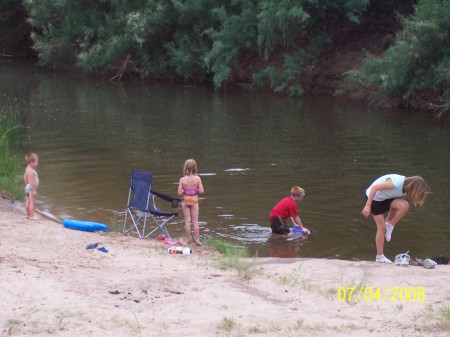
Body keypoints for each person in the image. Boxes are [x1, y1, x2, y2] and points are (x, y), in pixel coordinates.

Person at [361, 174, 428, 264]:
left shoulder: (404, 191)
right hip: (374, 199)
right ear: (412, 188)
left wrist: (388, 221)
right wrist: (368, 206)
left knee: (404, 205)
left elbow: (394, 208)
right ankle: (379, 257)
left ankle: (390, 225)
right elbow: (374, 187)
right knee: (381, 228)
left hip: (386, 198)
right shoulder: (394, 184)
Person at [177, 159, 204, 246]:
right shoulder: (198, 178)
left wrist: (184, 190)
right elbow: (202, 191)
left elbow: (179, 193)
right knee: (195, 221)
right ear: (195, 168)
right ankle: (197, 240)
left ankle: (188, 239)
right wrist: (197, 190)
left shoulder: (182, 179)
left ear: (185, 168)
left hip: (185, 201)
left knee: (187, 221)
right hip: (194, 202)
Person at [24, 153, 40, 220]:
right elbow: (30, 181)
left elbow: (25, 178)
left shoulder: (27, 169)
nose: (37, 163)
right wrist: (33, 190)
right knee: (32, 202)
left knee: (28, 201)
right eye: (36, 161)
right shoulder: (31, 171)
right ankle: (32, 216)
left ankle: (28, 215)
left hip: (28, 187)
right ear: (31, 162)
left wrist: (27, 187)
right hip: (31, 188)